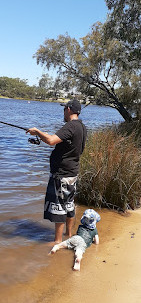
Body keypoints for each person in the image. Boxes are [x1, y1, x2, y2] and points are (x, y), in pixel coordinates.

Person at [26, 99, 87, 243]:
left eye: (64, 109)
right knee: (69, 205)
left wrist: (37, 132)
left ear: (69, 110)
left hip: (61, 174)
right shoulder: (82, 127)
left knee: (59, 208)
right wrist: (45, 135)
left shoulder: (70, 126)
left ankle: (57, 243)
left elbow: (51, 141)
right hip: (72, 173)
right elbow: (72, 146)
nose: (63, 112)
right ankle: (69, 236)